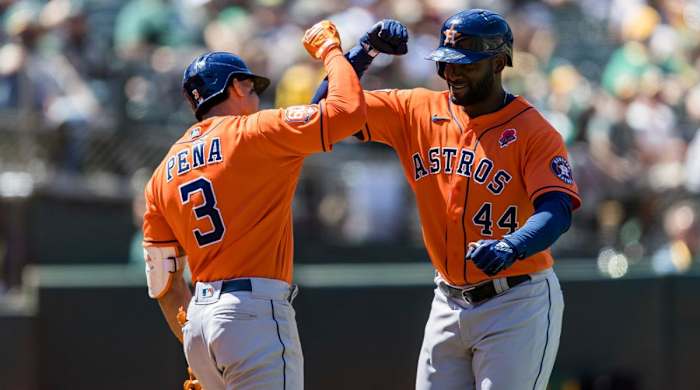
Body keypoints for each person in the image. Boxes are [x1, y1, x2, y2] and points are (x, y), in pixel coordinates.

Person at [313, 10, 581, 390]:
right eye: (446, 63)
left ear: (499, 62)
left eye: (466, 65)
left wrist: (512, 245)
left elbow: (557, 211)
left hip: (516, 301)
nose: (452, 73)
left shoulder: (534, 131)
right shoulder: (416, 110)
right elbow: (326, 111)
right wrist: (363, 52)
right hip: (447, 299)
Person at [141, 20, 367, 390]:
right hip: (252, 313)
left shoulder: (162, 172)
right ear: (236, 86)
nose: (257, 96)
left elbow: (165, 287)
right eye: (252, 87)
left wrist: (196, 344)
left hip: (199, 321)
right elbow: (348, 113)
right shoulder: (253, 132)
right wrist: (331, 52)